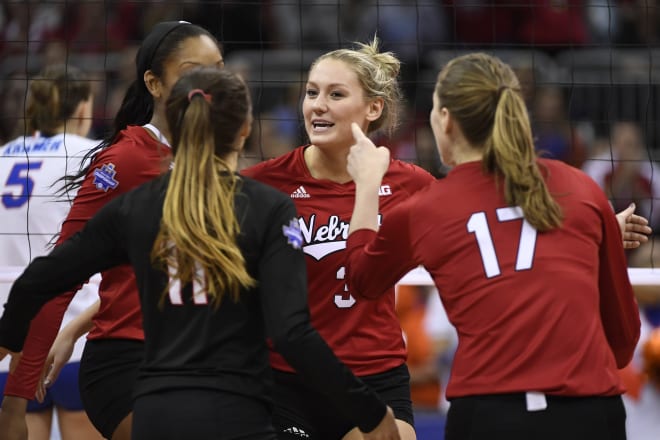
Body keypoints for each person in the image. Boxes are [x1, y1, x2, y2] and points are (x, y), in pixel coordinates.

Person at [0, 67, 401, 440]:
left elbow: (36, 282)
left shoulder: (136, 206)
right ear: (245, 129)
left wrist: (10, 342)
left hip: (157, 411)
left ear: (175, 126)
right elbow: (292, 333)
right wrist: (369, 410)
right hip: (238, 414)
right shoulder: (267, 207)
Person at [343, 52, 643, 440]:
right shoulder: (583, 188)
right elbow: (621, 342)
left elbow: (360, 280)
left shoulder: (425, 210)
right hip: (591, 412)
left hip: (489, 414)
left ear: (446, 120)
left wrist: (367, 185)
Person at [0, 20, 224, 440]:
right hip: (130, 363)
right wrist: (16, 401)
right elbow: (57, 276)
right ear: (154, 84)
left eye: (218, 69)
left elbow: (161, 278)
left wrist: (76, 326)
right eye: (193, 70)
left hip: (194, 360)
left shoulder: (209, 163)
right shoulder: (126, 161)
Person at [242, 38, 435, 440]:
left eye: (336, 94)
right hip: (287, 379)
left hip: (375, 373)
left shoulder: (409, 183)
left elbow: (467, 223)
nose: (317, 105)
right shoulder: (264, 183)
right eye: (312, 93)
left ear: (373, 108)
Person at [0, 65, 102, 440]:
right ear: (81, 110)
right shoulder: (96, 156)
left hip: (8, 338)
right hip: (75, 338)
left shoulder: (2, 157)